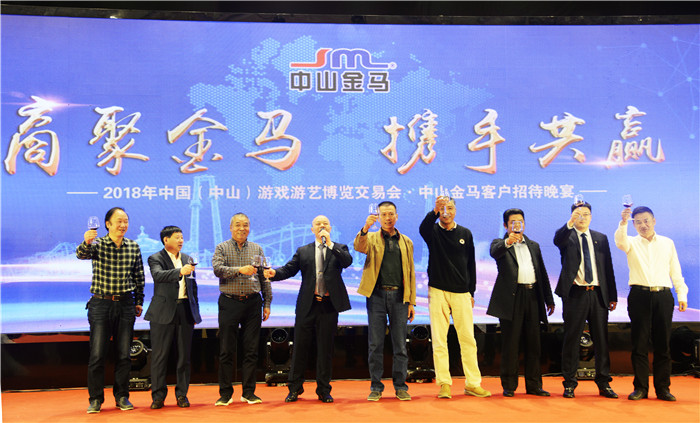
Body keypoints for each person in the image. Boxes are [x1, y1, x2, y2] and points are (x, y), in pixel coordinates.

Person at [265, 215, 353, 403]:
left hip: (329, 305)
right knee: (300, 348)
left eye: (325, 223)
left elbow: (347, 262)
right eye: (318, 224)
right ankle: (294, 388)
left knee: (325, 349)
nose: (322, 226)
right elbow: (288, 269)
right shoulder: (303, 251)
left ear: (330, 228)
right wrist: (274, 273)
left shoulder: (339, 248)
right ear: (312, 229)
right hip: (308, 305)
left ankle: (324, 390)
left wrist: (330, 244)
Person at [419, 196, 491, 399]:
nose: (446, 212)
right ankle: (444, 384)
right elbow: (423, 228)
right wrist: (434, 210)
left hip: (461, 292)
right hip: (438, 290)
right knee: (439, 340)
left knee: (468, 339)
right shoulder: (433, 231)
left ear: (455, 210)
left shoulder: (465, 233)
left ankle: (473, 383)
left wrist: (472, 292)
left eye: (450, 208)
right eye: (443, 209)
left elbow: (471, 265)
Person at [615, 206, 688, 401]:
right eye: (638, 222)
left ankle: (663, 388)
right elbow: (619, 241)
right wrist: (623, 222)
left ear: (654, 221)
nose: (643, 225)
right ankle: (640, 388)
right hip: (639, 295)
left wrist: (681, 294)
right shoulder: (630, 242)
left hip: (663, 296)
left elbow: (675, 270)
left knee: (662, 344)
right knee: (639, 344)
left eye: (646, 221)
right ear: (634, 225)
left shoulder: (667, 243)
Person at [76, 207, 145, 414]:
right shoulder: (98, 243)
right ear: (108, 224)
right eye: (119, 221)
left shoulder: (133, 246)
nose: (123, 225)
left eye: (126, 221)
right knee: (97, 354)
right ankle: (95, 399)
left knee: (124, 354)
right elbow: (81, 254)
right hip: (101, 304)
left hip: (125, 304)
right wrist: (86, 241)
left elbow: (139, 276)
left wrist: (138, 301)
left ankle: (122, 396)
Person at [487, 208, 555, 397]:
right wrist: (509, 241)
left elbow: (541, 272)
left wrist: (549, 299)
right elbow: (494, 252)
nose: (517, 225)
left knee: (534, 344)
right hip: (512, 298)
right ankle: (509, 386)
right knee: (511, 344)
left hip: (532, 296)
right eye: (513, 222)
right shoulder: (500, 244)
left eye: (520, 221)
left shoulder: (533, 245)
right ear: (505, 225)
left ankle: (534, 385)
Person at [553, 201, 618, 399]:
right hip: (576, 294)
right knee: (572, 339)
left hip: (598, 294)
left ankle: (604, 383)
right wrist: (569, 223)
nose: (582, 217)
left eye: (586, 214)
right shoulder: (567, 236)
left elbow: (607, 267)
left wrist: (612, 295)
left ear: (591, 216)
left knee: (601, 340)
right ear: (572, 216)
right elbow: (557, 239)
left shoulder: (600, 238)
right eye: (578, 214)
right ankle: (569, 383)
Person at [354, 201, 416, 401]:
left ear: (396, 216)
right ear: (378, 217)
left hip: (400, 298)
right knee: (375, 344)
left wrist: (411, 302)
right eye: (384, 214)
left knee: (400, 345)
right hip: (377, 296)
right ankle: (376, 387)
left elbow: (411, 273)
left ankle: (401, 386)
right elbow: (358, 246)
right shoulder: (371, 237)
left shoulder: (406, 241)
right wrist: (365, 228)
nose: (388, 218)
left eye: (391, 214)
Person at [212, 213, 272, 406]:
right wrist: (239, 270)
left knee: (251, 350)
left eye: (245, 225)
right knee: (226, 350)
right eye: (238, 225)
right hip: (229, 302)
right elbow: (217, 270)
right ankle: (225, 394)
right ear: (231, 228)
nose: (242, 228)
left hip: (253, 303)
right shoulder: (222, 247)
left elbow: (264, 278)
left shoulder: (257, 248)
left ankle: (248, 392)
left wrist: (267, 303)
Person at [145, 226, 202, 409]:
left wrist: (195, 311)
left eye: (182, 237)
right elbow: (158, 275)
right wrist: (179, 272)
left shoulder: (187, 259)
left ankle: (182, 395)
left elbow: (193, 287)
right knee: (159, 356)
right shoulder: (155, 258)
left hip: (185, 310)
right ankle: (158, 396)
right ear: (166, 240)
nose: (181, 241)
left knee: (184, 357)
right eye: (177, 237)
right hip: (163, 312)